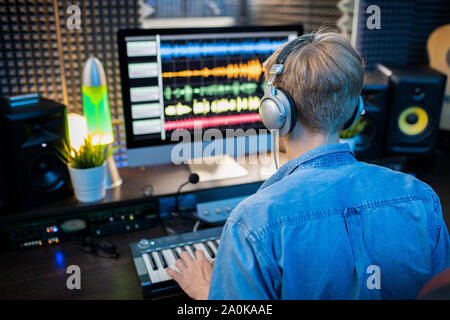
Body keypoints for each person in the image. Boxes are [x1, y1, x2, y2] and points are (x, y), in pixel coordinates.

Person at [166, 30, 450, 299]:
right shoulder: (422, 199)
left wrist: (208, 293)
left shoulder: (253, 223)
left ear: (275, 112)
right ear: (353, 111)